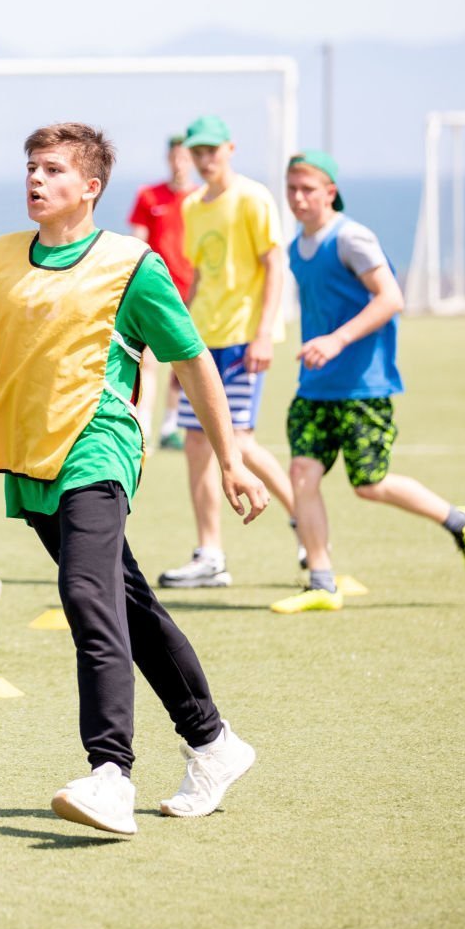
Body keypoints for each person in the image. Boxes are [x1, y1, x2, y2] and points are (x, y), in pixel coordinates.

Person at [0, 124, 269, 836]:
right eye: (31, 167)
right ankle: (214, 741)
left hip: (99, 445)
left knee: (85, 592)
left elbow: (192, 359)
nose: (36, 179)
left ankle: (110, 775)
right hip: (32, 457)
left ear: (90, 186)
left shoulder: (132, 266)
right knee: (126, 601)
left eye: (53, 169)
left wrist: (230, 458)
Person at [273, 151, 465, 613]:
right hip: (313, 386)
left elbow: (391, 298)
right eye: (292, 188)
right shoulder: (295, 248)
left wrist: (336, 340)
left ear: (330, 192)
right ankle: (322, 583)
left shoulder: (351, 238)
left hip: (363, 388)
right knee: (302, 476)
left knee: (369, 483)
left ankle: (459, 521)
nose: (298, 198)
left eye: (308, 189)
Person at [158, 115, 300, 590]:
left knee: (239, 441)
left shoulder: (254, 198)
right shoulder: (192, 206)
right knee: (196, 445)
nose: (204, 159)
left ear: (230, 149)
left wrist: (264, 333)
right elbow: (200, 275)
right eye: (197, 152)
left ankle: (305, 524)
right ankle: (210, 555)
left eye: (212, 150)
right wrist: (180, 332)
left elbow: (274, 265)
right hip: (202, 340)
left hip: (243, 338)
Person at [126, 135, 199, 450]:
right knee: (148, 360)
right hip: (156, 292)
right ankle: (141, 426)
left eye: (185, 158)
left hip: (194, 292)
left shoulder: (202, 199)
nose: (180, 164)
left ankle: (170, 426)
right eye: (175, 157)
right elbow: (138, 242)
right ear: (168, 159)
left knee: (184, 362)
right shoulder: (149, 196)